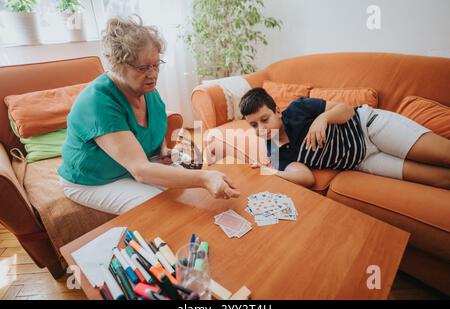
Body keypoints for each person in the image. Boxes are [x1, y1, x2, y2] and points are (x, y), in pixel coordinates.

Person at [58, 16, 239, 215]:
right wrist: (205, 178)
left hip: (134, 165)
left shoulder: (146, 89)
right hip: (93, 180)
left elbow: (154, 126)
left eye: (156, 65)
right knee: (158, 209)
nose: (153, 74)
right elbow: (141, 170)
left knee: (188, 192)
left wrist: (163, 148)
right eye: (143, 67)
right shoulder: (97, 102)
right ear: (119, 65)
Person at [239, 87, 450, 190]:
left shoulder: (298, 109)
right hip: (362, 160)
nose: (261, 129)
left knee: (444, 155)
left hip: (368, 126)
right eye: (254, 125)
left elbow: (346, 110)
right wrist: (271, 171)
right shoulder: (273, 149)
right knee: (440, 179)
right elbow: (306, 178)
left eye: (264, 119)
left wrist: (323, 118)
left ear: (277, 111)